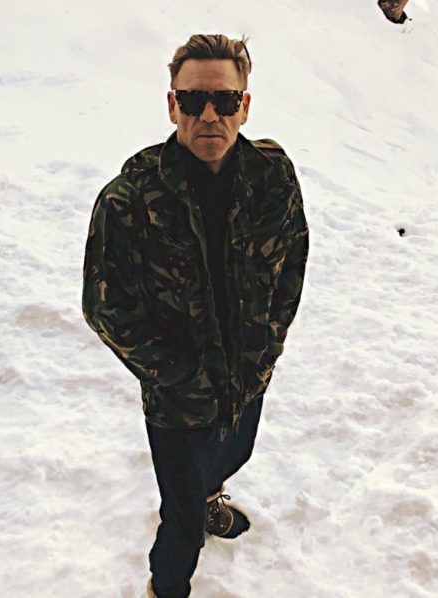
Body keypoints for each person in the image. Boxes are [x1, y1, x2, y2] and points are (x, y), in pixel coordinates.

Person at [81, 33, 309, 598]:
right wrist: (178, 377)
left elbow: (292, 260)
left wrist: (269, 343)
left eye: (224, 100)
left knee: (235, 451)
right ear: (172, 104)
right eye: (193, 100)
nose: (210, 115)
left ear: (245, 105)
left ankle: (211, 494)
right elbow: (104, 305)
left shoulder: (272, 176)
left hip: (248, 376)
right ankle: (166, 587)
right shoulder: (130, 198)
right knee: (181, 526)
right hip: (177, 401)